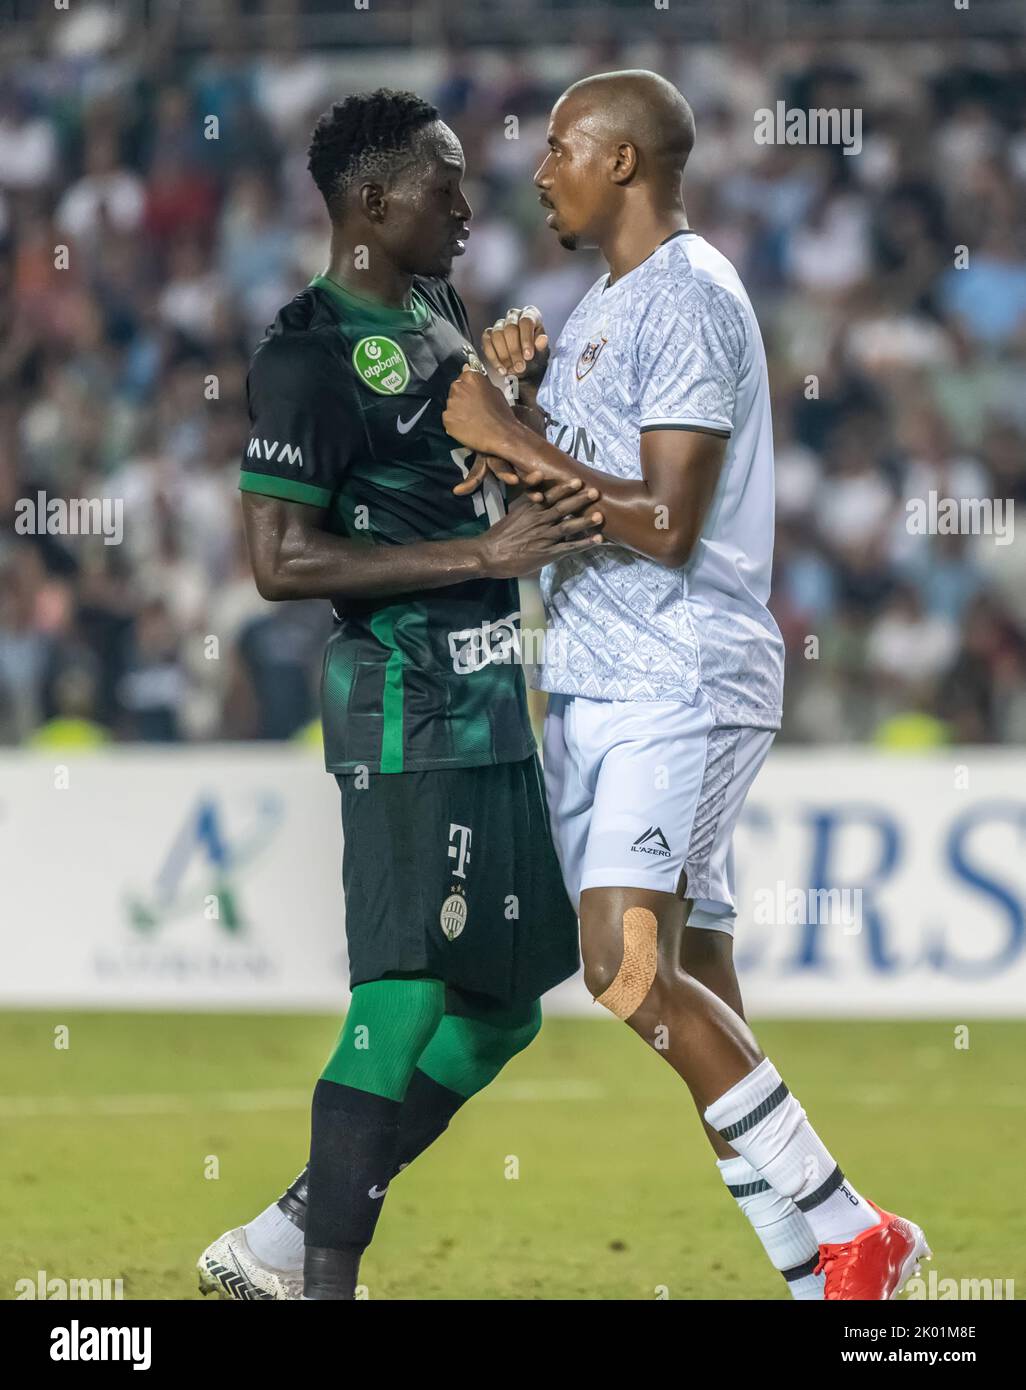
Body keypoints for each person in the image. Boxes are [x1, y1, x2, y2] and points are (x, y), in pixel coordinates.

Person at [441, 69, 930, 1301]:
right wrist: (519, 407)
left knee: (622, 959)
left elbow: (664, 521)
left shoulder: (698, 297)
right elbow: (577, 490)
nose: (538, 165)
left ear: (622, 162)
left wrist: (512, 438)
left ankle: (850, 1221)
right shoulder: (604, 303)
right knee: (697, 981)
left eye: (559, 145)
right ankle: (820, 1282)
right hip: (601, 677)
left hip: (681, 669)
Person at [197, 89, 598, 1301]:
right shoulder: (305, 356)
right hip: (398, 706)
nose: (472, 210)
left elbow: (476, 468)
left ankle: (277, 1244)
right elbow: (281, 562)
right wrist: (483, 559)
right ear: (372, 203)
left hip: (490, 701)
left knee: (511, 1006)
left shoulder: (435, 306)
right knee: (407, 989)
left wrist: (517, 390)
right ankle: (323, 1284)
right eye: (447, 184)